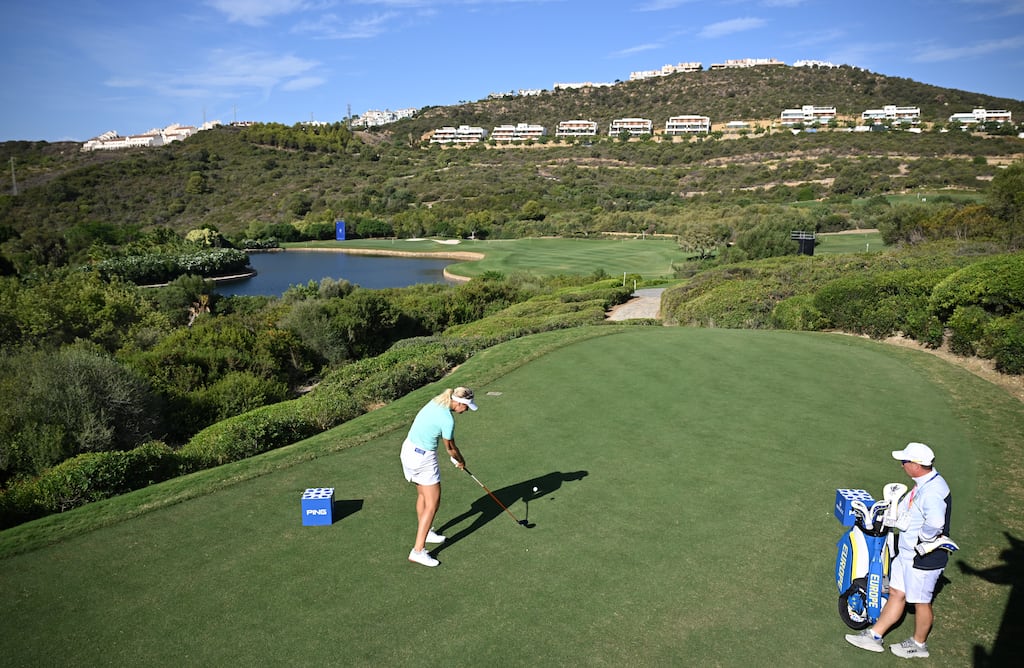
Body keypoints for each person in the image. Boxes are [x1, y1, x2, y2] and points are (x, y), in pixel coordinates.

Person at [845, 442, 953, 659]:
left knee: (921, 602)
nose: (902, 465)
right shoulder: (923, 483)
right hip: (907, 554)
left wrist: (924, 538)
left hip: (923, 558)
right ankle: (874, 636)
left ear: (916, 465)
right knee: (897, 592)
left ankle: (918, 645)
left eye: (905, 461)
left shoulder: (932, 491)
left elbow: (936, 522)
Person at [400, 386, 477, 567]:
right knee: (433, 504)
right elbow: (450, 448)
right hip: (423, 459)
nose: (465, 411)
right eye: (466, 407)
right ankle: (418, 551)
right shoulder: (448, 420)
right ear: (458, 403)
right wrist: (461, 461)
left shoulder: (437, 401)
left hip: (408, 451)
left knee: (423, 495)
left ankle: (425, 533)